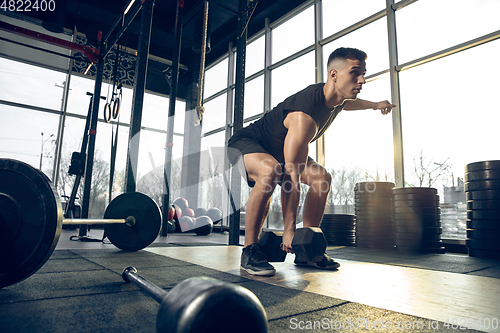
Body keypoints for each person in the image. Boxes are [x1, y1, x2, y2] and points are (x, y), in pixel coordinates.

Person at [227, 47, 396, 276]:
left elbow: (349, 103)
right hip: (245, 143)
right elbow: (291, 179)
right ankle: (249, 250)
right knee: (271, 172)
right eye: (355, 73)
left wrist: (375, 105)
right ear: (334, 75)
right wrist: (288, 231)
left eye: (363, 73)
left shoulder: (338, 98)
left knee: (321, 178)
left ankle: (308, 249)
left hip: (280, 150)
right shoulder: (304, 117)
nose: (362, 80)